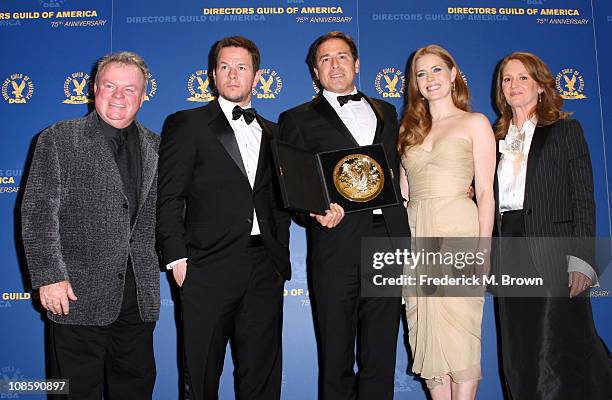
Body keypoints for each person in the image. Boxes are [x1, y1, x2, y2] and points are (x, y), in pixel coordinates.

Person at [156, 36, 290, 400]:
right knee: (200, 375)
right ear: (213, 75)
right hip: (206, 265)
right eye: (225, 67)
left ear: (257, 76)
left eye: (242, 67)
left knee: (262, 376)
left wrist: (279, 257)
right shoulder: (187, 123)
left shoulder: (275, 132)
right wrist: (177, 258)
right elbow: (168, 195)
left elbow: (281, 203)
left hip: (264, 267)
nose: (233, 74)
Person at [279, 31, 410, 400]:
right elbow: (293, 187)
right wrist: (314, 214)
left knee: (381, 355)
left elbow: (401, 169)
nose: (334, 64)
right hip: (335, 244)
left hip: (387, 241)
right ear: (315, 71)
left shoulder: (386, 111)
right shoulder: (296, 118)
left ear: (357, 64)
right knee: (335, 355)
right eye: (325, 59)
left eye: (341, 57)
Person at [21, 51, 160, 399]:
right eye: (110, 86)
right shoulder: (58, 139)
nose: (118, 96)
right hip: (75, 295)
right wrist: (49, 277)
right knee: (72, 393)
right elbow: (38, 212)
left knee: (136, 391)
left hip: (138, 299)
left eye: (129, 89)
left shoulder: (157, 146)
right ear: (94, 89)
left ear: (143, 96)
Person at [493, 51, 612, 400]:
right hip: (508, 250)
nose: (514, 85)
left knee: (556, 347)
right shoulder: (493, 136)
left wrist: (583, 259)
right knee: (518, 351)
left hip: (553, 251)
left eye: (522, 78)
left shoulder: (564, 129)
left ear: (541, 86)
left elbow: (583, 198)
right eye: (507, 79)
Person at [397, 44, 495, 400]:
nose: (429, 79)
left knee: (460, 332)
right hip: (418, 239)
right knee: (424, 331)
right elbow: (405, 194)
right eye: (421, 73)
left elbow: (485, 193)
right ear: (415, 83)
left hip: (458, 234)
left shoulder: (475, 122)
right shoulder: (408, 132)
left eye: (436, 70)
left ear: (453, 74)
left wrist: (484, 251)